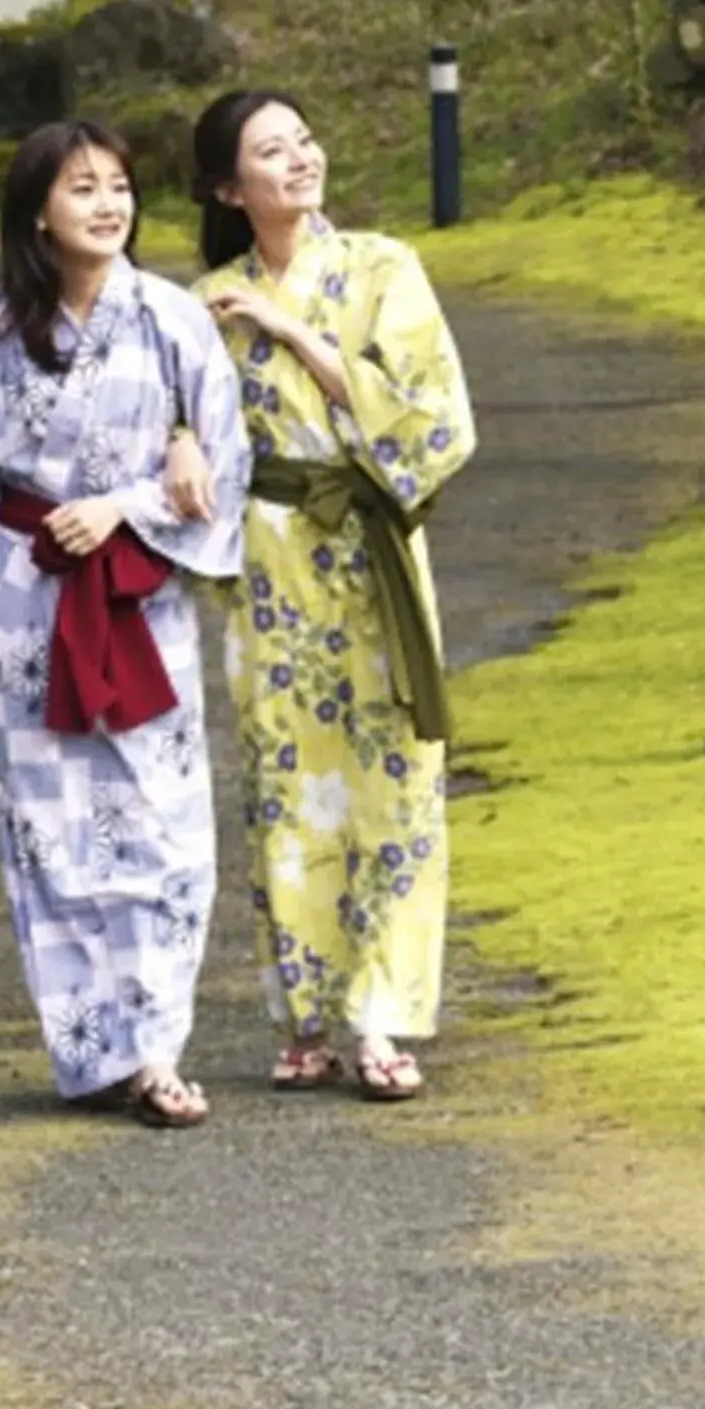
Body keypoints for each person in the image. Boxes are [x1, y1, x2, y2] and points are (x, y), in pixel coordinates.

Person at [0, 119, 252, 1128]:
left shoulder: (171, 321)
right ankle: (98, 1052)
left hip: (135, 600)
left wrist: (134, 501)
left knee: (164, 826)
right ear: (38, 213)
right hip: (25, 601)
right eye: (82, 188)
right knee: (50, 835)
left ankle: (157, 1045)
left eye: (119, 186)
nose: (108, 203)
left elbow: (224, 465)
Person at [187, 89, 477, 1102]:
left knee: (394, 777)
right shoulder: (208, 300)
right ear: (232, 187)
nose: (301, 160)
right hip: (272, 565)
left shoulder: (384, 268)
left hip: (369, 547)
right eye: (273, 151)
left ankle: (382, 1017)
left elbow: (437, 418)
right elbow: (183, 426)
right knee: (286, 779)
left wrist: (299, 336)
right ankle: (304, 1012)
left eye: (306, 138)